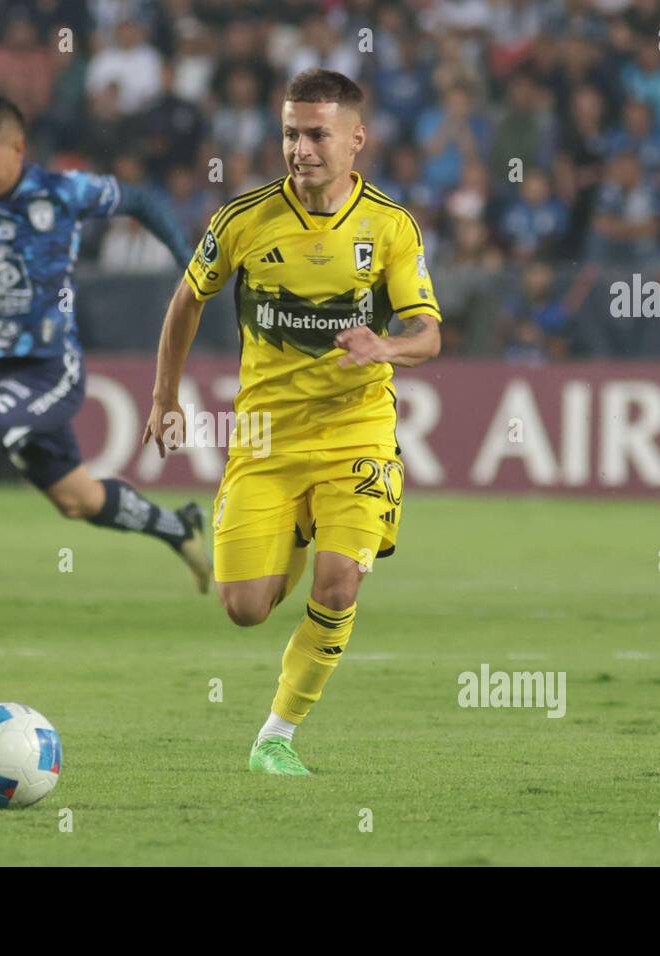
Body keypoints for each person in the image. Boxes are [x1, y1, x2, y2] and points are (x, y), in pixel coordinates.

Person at [143, 69, 442, 775]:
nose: (301, 149)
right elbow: (187, 300)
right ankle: (298, 528)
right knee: (245, 608)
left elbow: (428, 333)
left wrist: (386, 344)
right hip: (263, 438)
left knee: (339, 583)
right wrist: (164, 397)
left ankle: (275, 736)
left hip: (356, 431)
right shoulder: (243, 220)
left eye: (316, 135)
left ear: (356, 141)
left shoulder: (389, 227)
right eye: (290, 134)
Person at [0, 97, 211, 644]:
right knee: (78, 500)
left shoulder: (63, 191)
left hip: (50, 371)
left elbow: (137, 199)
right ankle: (175, 526)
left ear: (17, 147)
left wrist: (189, 260)